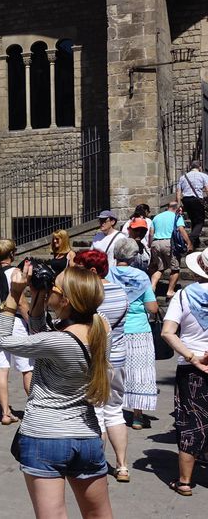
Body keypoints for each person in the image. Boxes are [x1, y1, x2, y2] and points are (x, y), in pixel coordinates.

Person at [0, 264, 113, 518]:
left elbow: (2, 339)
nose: (51, 290)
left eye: (54, 287)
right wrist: (39, 295)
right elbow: (41, 332)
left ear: (67, 300)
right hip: (87, 436)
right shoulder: (101, 329)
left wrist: (15, 295)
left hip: (45, 437)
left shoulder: (58, 341)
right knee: (98, 514)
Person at [75, 249, 130, 483]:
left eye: (80, 268)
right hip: (118, 358)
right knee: (115, 411)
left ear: (93, 271)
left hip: (97, 362)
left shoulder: (91, 296)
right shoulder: (121, 292)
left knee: (96, 414)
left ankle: (96, 465)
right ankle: (122, 465)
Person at [160, 248, 208, 497]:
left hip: (192, 367)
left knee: (191, 420)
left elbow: (168, 332)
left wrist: (192, 356)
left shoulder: (183, 296)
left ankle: (185, 481)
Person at [108, 238, 158, 431]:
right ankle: (137, 417)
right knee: (139, 372)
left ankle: (114, 410)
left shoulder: (108, 273)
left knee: (115, 371)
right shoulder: (141, 276)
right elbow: (152, 307)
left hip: (115, 328)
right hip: (138, 330)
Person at [0, 240, 34, 426]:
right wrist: (32, 323)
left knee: (2, 369)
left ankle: (5, 412)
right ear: (12, 254)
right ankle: (34, 410)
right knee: (26, 368)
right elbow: (21, 302)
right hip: (14, 323)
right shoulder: (15, 272)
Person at [150, 201, 193, 298]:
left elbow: (151, 233)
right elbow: (181, 230)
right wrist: (189, 243)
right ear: (177, 208)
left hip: (156, 243)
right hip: (169, 243)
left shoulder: (157, 217)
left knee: (159, 268)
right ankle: (170, 291)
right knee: (175, 269)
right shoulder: (177, 217)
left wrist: (150, 244)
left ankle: (152, 286)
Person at [176, 161, 208, 249]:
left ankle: (196, 243)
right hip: (197, 200)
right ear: (200, 167)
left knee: (194, 220)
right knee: (200, 221)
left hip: (186, 200)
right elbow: (207, 189)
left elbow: (178, 192)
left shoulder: (183, 177)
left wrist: (179, 204)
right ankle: (190, 240)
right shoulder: (203, 175)